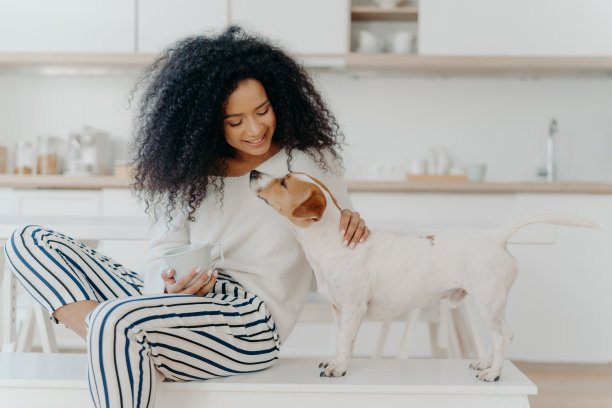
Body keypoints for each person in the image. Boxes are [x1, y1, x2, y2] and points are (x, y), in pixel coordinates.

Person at [4, 26, 369, 408]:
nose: (256, 128)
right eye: (235, 120)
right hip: (178, 304)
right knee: (27, 242)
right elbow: (162, 252)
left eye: (263, 110)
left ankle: (127, 343)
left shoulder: (309, 162)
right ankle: (134, 344)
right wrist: (167, 286)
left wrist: (354, 227)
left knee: (116, 321)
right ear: (208, 122)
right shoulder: (189, 172)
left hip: (249, 322)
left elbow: (339, 245)